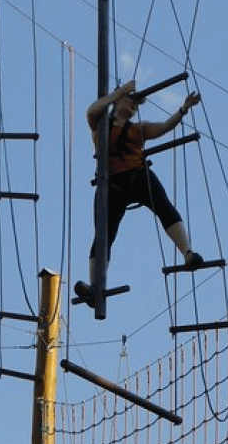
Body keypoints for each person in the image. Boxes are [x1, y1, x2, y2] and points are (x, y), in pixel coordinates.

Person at [75, 79, 204, 302]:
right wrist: (120, 93)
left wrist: (183, 109)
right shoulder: (99, 125)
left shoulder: (139, 129)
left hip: (137, 175)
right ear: (117, 101)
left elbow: (164, 127)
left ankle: (188, 253)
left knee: (164, 207)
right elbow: (91, 109)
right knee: (103, 234)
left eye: (136, 104)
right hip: (110, 183)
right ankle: (95, 288)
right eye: (131, 101)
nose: (134, 106)